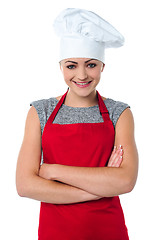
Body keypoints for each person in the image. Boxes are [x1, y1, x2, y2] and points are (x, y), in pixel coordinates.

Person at [16, 8, 138, 240]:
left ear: (103, 66)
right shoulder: (40, 111)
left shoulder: (119, 113)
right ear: (61, 66)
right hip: (55, 232)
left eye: (91, 64)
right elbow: (25, 186)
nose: (81, 75)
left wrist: (52, 170)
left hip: (108, 230)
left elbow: (125, 180)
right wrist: (100, 186)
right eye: (72, 65)